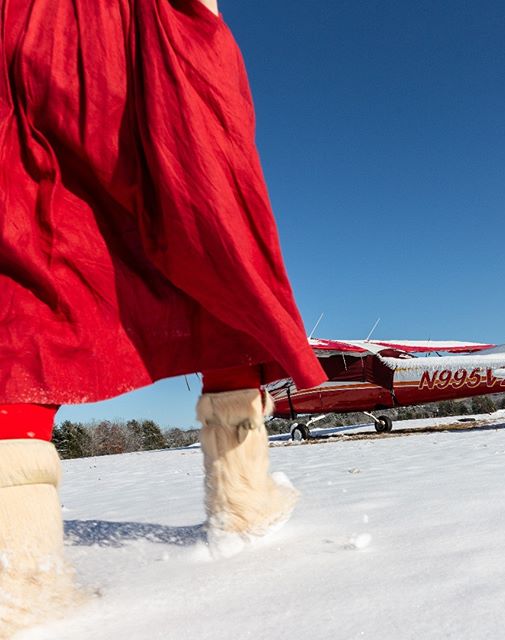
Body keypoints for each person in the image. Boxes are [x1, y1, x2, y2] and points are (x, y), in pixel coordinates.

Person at [0, 0, 326, 634]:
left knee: (31, 250)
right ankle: (246, 504)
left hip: (24, 25)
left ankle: (21, 568)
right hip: (159, 28)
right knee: (217, 240)